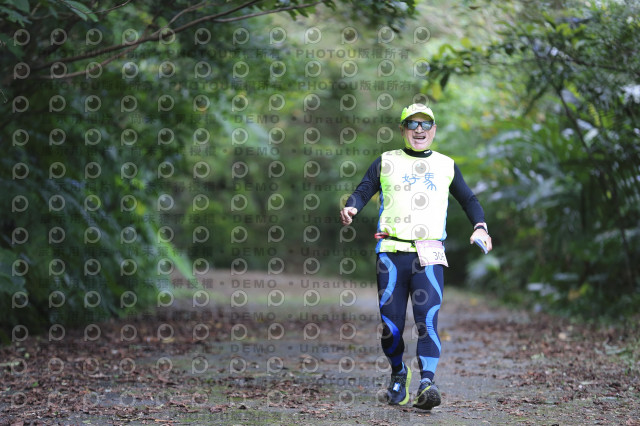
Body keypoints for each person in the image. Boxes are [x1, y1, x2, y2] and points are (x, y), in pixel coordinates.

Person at [339, 103, 492, 410]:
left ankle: (427, 384)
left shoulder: (446, 165)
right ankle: (399, 373)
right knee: (391, 326)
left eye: (425, 124)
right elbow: (364, 189)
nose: (419, 129)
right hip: (391, 253)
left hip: (429, 254)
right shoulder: (386, 161)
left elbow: (469, 199)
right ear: (403, 130)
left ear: (434, 130)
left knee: (427, 320)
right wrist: (352, 206)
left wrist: (480, 226)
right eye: (412, 124)